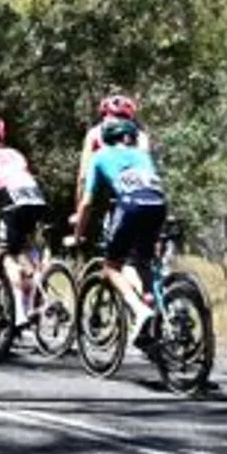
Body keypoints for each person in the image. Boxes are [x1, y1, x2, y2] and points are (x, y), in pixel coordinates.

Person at [68, 118, 168, 345]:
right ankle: (153, 311)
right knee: (143, 263)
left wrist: (77, 235)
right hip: (158, 205)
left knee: (111, 267)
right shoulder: (142, 156)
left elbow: (87, 203)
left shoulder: (100, 156)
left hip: (130, 206)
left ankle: (141, 312)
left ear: (105, 139)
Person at [0, 117, 47, 326]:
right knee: (28, 249)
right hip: (36, 197)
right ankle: (35, 302)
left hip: (14, 200)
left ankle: (20, 314)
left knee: (8, 256)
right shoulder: (15, 153)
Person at [72, 94, 149, 222]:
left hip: (111, 189)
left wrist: (78, 212)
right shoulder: (141, 136)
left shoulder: (95, 133)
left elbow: (83, 177)